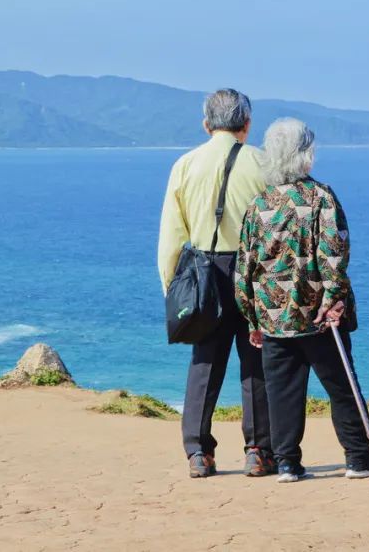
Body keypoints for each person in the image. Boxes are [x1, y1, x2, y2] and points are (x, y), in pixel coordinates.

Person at [235, 118, 369, 483]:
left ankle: (287, 462)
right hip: (320, 315)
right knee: (341, 387)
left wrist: (252, 318)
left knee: (282, 393)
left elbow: (245, 266)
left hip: (274, 318)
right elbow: (333, 254)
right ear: (306, 153)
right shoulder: (321, 197)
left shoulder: (258, 204)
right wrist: (335, 299)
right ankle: (360, 458)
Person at [157, 89, 275, 479]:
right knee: (255, 360)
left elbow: (171, 236)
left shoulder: (185, 164)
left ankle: (197, 452)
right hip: (252, 270)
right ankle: (258, 450)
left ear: (206, 124)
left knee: (204, 362)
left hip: (202, 268)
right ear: (246, 123)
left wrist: (172, 288)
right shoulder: (262, 163)